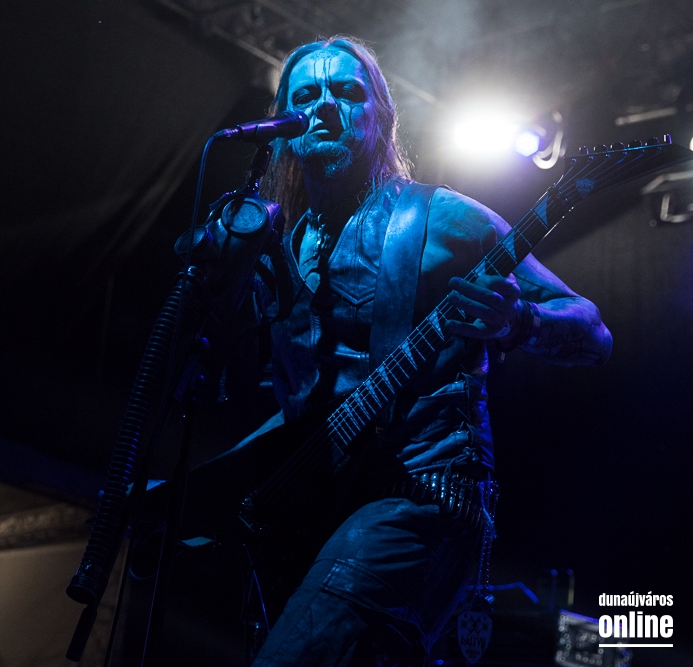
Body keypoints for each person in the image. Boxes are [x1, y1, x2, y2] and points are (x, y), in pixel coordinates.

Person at [217, 35, 613, 666]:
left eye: (347, 92)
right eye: (306, 94)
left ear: (381, 118)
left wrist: (519, 322)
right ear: (282, 125)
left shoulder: (441, 220)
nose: (325, 106)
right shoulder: (279, 248)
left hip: (422, 494)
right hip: (319, 512)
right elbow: (300, 410)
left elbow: (593, 331)